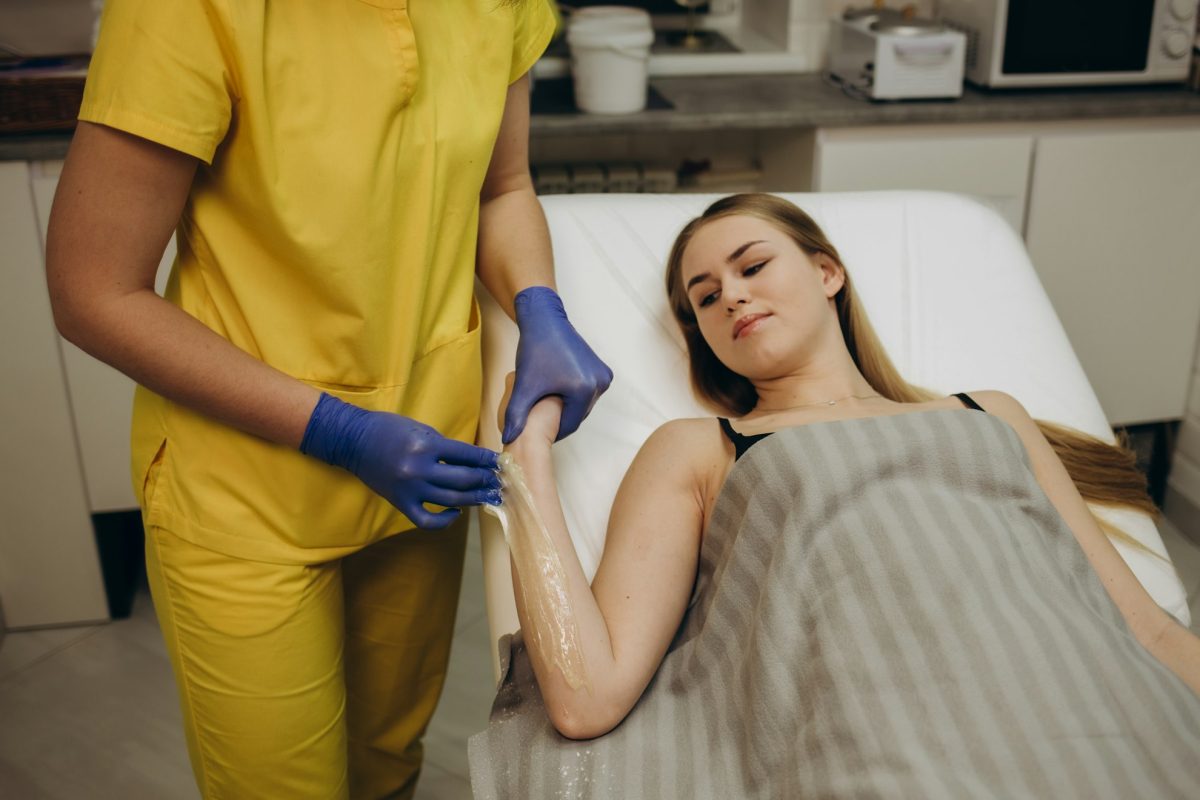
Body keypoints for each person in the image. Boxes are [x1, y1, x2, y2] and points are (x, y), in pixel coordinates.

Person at [45, 1, 610, 797]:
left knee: (387, 762)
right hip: (248, 491)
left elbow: (501, 185)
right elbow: (92, 293)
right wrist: (341, 431)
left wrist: (540, 306)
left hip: (425, 465)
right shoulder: (185, 12)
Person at [469, 194, 1200, 798]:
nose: (732, 296)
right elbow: (586, 696)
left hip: (1098, 709)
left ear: (827, 273)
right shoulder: (702, 447)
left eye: (752, 265)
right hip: (887, 735)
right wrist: (525, 459)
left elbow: (1146, 631)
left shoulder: (989, 413)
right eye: (705, 300)